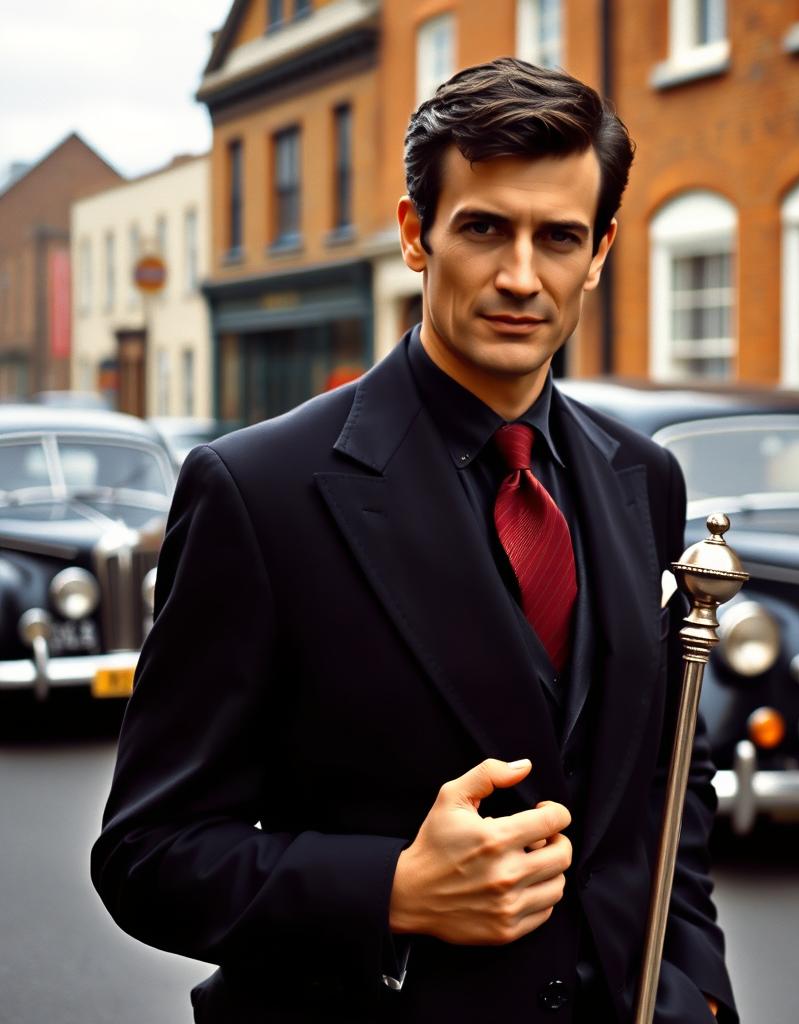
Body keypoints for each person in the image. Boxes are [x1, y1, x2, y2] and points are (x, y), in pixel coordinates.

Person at [92, 58, 736, 1024]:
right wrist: (389, 890)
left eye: (558, 237)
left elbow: (663, 789)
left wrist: (697, 993)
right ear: (414, 234)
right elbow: (148, 852)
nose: (522, 276)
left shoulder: (645, 477)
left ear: (599, 253)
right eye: (484, 228)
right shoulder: (258, 491)